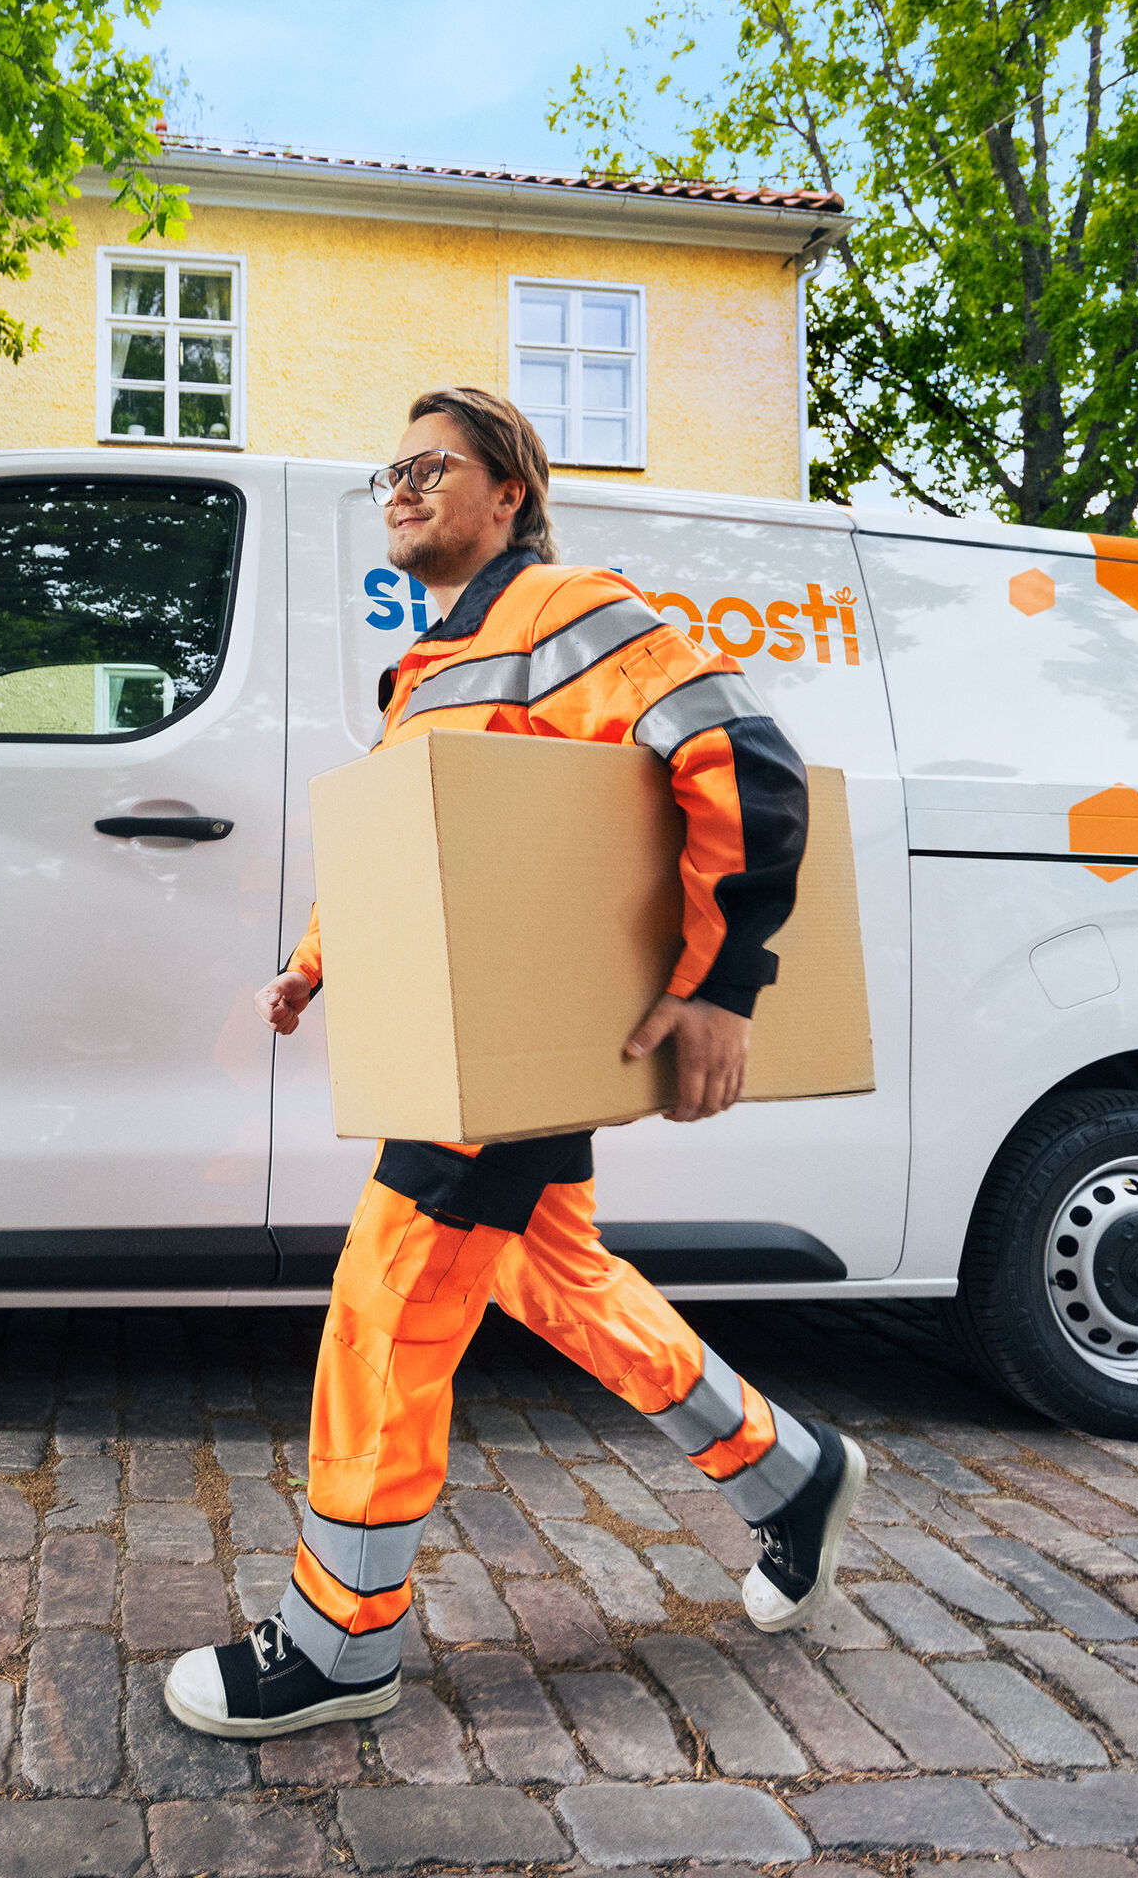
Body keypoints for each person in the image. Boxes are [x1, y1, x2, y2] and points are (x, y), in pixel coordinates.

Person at [163, 385, 869, 1741]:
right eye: (393, 465)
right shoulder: (432, 667)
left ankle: (337, 1635)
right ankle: (785, 1473)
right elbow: (415, 851)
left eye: (434, 462)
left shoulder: (569, 612)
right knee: (565, 1288)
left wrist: (723, 985)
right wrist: (316, 960)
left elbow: (743, 762)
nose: (403, 484)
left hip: (509, 1061)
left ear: (509, 492)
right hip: (476, 1052)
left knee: (387, 1303)